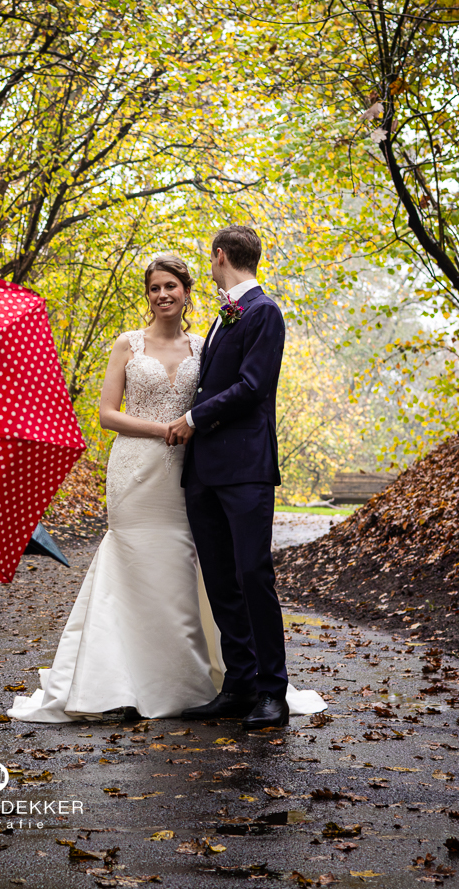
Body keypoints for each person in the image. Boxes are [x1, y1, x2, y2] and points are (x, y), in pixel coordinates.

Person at [9, 255, 223, 721]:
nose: (162, 295)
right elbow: (107, 414)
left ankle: (183, 678)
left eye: (171, 286)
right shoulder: (127, 344)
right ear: (147, 295)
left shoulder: (205, 348)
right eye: (154, 288)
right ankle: (117, 679)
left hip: (187, 473)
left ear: (187, 291)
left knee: (181, 564)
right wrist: (164, 428)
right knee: (132, 561)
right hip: (134, 471)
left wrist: (186, 428)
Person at [164, 225, 299, 727]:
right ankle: (239, 684)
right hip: (204, 470)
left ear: (220, 256)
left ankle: (272, 692)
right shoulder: (225, 314)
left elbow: (253, 385)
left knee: (252, 575)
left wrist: (194, 419)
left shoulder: (263, 312)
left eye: (210, 258)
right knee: (220, 580)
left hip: (244, 467)